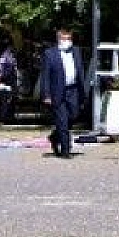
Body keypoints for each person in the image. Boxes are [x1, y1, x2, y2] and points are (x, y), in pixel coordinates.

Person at [40, 26, 86, 157]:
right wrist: (46, 95)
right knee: (62, 121)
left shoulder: (76, 51)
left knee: (73, 115)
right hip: (57, 92)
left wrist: (83, 91)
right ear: (59, 39)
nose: (68, 41)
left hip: (73, 90)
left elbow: (80, 71)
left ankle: (55, 137)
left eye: (70, 38)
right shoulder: (50, 53)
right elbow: (46, 76)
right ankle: (65, 150)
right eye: (65, 38)